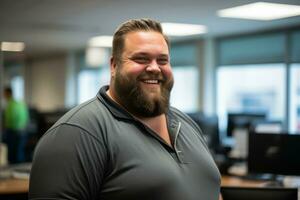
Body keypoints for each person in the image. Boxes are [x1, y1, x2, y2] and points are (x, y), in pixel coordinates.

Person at [29, 18, 221, 200]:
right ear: (114, 65)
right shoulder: (76, 133)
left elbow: (211, 190)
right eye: (141, 58)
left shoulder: (186, 124)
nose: (154, 68)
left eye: (162, 60)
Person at [3, 86, 29, 163]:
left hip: (13, 131)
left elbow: (8, 120)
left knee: (12, 154)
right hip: (23, 131)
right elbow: (26, 117)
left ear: (7, 93)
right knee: (19, 152)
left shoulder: (10, 105)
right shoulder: (20, 103)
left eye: (4, 93)